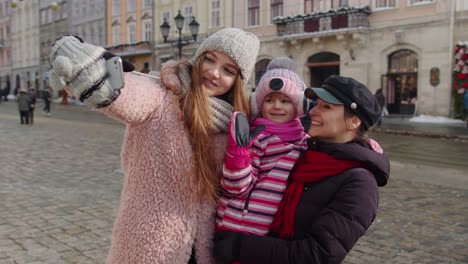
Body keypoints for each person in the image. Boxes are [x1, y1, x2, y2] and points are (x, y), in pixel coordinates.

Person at [48, 28, 259, 264]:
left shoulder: (233, 123)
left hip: (204, 250)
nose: (213, 72)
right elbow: (124, 96)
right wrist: (86, 67)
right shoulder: (161, 94)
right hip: (148, 247)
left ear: (238, 82)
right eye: (209, 59)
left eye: (228, 70)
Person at [213, 75, 390, 264]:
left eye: (326, 107)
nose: (313, 111)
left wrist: (239, 247)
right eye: (316, 104)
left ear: (354, 122)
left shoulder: (360, 183)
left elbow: (319, 254)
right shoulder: (305, 153)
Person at [216, 58, 310, 249]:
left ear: (299, 106)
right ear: (258, 104)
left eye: (285, 101)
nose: (277, 106)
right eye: (269, 100)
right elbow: (235, 187)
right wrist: (239, 153)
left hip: (271, 236)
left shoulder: (305, 142)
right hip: (236, 225)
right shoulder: (255, 138)